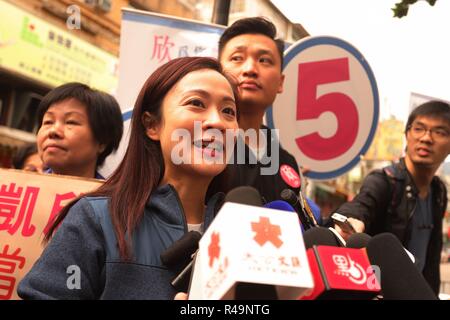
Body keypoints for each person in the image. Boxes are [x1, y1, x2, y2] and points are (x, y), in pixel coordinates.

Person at [17, 57, 239, 299]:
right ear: (151, 125)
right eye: (196, 103)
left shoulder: (243, 234)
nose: (218, 122)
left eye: (228, 111)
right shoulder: (97, 219)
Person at [336, 101, 450, 294]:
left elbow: (431, 260)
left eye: (439, 132)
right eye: (419, 129)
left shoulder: (438, 192)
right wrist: (350, 219)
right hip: (381, 291)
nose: (426, 138)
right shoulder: (385, 180)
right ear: (407, 135)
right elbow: (362, 203)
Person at [216, 17, 303, 204]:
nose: (250, 69)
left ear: (280, 82)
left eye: (264, 60)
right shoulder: (200, 145)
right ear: (217, 71)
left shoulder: (286, 163)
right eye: (237, 58)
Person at [36, 82, 123, 179]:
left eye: (70, 122)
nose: (53, 131)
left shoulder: (113, 194)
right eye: (48, 122)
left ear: (102, 142)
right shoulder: (21, 188)